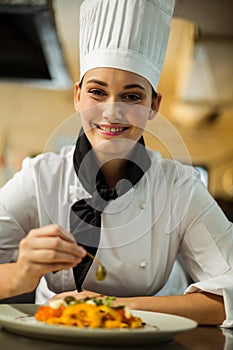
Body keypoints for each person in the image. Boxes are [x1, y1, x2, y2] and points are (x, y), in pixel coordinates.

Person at [0, 0, 233, 327]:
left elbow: (229, 293)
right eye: (97, 92)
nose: (112, 112)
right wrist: (21, 275)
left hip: (145, 338)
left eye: (132, 96)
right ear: (78, 95)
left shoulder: (179, 187)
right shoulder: (39, 177)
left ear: (154, 104)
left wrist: (108, 306)